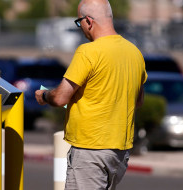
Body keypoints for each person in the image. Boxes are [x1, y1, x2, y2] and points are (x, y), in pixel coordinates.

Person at [35, 0, 147, 189]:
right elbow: (138, 101)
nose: (81, 28)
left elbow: (61, 97)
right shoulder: (134, 53)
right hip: (120, 151)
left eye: (79, 23)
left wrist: (45, 96)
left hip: (90, 149)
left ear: (88, 21)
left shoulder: (88, 52)